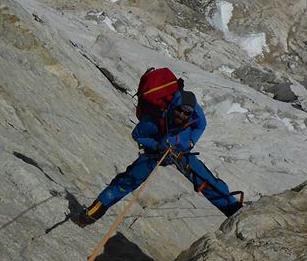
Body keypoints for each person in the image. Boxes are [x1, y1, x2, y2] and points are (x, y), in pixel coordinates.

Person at [73, 88, 242, 227]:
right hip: (156, 153)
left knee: (204, 179)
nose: (182, 115)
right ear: (173, 106)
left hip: (180, 152)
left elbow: (201, 125)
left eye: (186, 113)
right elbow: (137, 135)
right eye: (179, 110)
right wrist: (156, 146)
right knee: (127, 181)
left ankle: (234, 210)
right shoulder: (153, 119)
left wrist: (190, 142)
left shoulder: (195, 113)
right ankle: (93, 213)